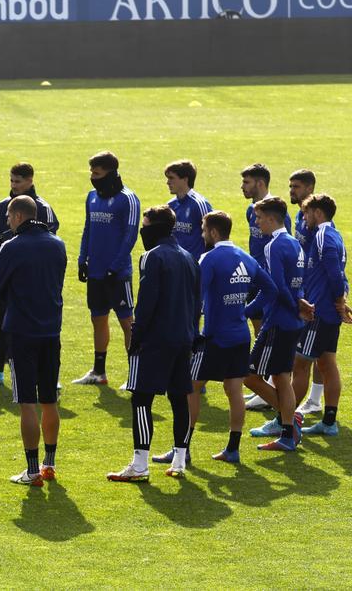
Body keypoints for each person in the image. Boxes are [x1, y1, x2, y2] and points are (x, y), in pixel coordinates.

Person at [153, 212, 274, 465]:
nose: (201, 234)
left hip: (214, 338)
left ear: (214, 233)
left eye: (203, 230)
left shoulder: (209, 259)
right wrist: (246, 311)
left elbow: (195, 299)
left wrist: (191, 332)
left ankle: (182, 450)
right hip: (240, 336)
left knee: (191, 389)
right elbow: (270, 289)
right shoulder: (245, 257)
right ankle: (232, 449)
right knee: (234, 390)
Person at [107, 206, 199, 482]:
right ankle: (180, 461)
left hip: (156, 340)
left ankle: (140, 464)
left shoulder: (152, 257)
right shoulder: (189, 258)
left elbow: (147, 303)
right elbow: (197, 304)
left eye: (145, 225)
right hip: (184, 338)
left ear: (155, 228)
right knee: (179, 399)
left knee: (141, 399)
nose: (142, 231)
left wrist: (137, 336)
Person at [0, 196, 65, 486]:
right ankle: (49, 463)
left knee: (26, 403)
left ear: (19, 216)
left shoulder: (11, 247)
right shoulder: (57, 244)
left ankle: (32, 469)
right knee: (49, 400)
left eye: (9, 217)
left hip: (21, 332)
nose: (7, 222)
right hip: (51, 331)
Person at [0, 162, 59, 388]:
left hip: (33, 279)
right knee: (2, 322)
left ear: (30, 180)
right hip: (6, 275)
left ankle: (45, 375)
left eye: (18, 181)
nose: (14, 185)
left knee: (36, 327)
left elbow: (49, 245)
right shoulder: (4, 206)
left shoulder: (42, 208)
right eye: (12, 180)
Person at [242, 197, 306, 451]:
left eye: (259, 218)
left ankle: (289, 421)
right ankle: (288, 429)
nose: (257, 223)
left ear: (270, 218)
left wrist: (246, 310)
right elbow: (297, 284)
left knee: (249, 375)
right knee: (281, 377)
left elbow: (276, 287)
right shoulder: (295, 244)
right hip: (292, 321)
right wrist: (300, 306)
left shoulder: (273, 246)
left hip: (278, 321)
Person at [74, 152, 139, 386]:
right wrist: (83, 259)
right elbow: (87, 229)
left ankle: (135, 374)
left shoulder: (128, 198)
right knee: (97, 319)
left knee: (127, 323)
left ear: (110, 173)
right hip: (96, 272)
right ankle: (99, 372)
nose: (92, 177)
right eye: (92, 172)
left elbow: (130, 235)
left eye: (97, 173)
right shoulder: (92, 197)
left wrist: (115, 266)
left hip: (118, 273)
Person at [293, 194, 350, 436]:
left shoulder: (323, 236)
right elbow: (341, 274)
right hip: (328, 313)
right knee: (327, 364)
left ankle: (285, 419)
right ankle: (328, 422)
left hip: (318, 312)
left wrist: (339, 300)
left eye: (306, 213)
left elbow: (335, 273)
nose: (304, 218)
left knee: (299, 365)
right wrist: (342, 300)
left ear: (318, 213)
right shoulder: (335, 235)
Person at [241, 164, 290, 412]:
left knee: (266, 337)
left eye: (247, 182)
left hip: (269, 284)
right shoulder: (253, 210)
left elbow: (284, 251)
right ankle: (267, 387)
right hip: (255, 278)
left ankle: (271, 393)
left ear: (260, 183)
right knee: (259, 330)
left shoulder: (274, 213)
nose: (242, 187)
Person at [287, 170, 327, 416]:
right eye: (291, 186)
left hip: (314, 290)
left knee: (315, 351)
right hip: (303, 285)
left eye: (297, 187)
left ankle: (313, 399)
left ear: (310, 188)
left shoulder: (317, 223)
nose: (292, 191)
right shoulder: (300, 216)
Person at [164, 160, 213, 261]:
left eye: (171, 178)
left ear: (185, 179)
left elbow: (212, 235)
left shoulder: (199, 204)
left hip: (195, 264)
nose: (167, 182)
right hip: (176, 264)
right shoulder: (170, 205)